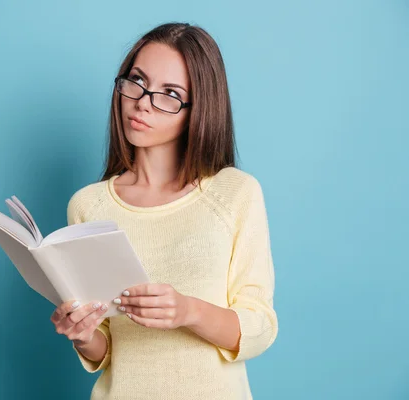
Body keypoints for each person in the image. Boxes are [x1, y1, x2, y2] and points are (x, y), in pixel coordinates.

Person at [50, 22, 278, 400]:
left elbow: (259, 328)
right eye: (136, 81)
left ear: (198, 109)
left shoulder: (234, 193)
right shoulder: (88, 205)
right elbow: (106, 348)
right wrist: (83, 335)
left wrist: (187, 311)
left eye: (169, 94)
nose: (142, 102)